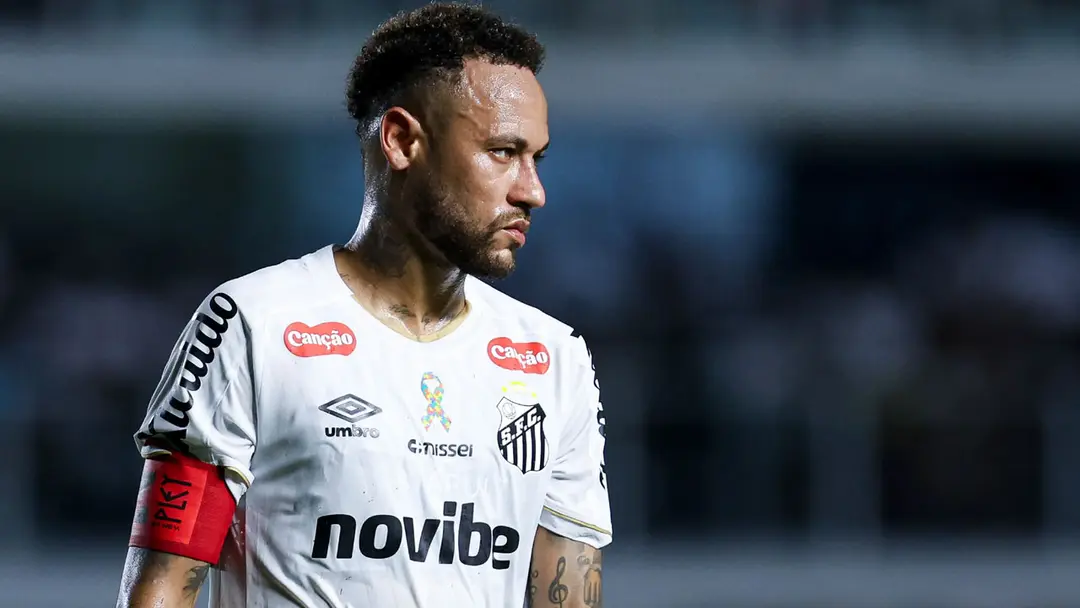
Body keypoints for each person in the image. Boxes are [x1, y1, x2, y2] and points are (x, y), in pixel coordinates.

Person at [115, 4, 610, 607]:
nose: (533, 190)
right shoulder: (252, 325)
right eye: (504, 152)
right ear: (401, 140)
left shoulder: (554, 360)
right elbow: (161, 590)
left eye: (537, 158)